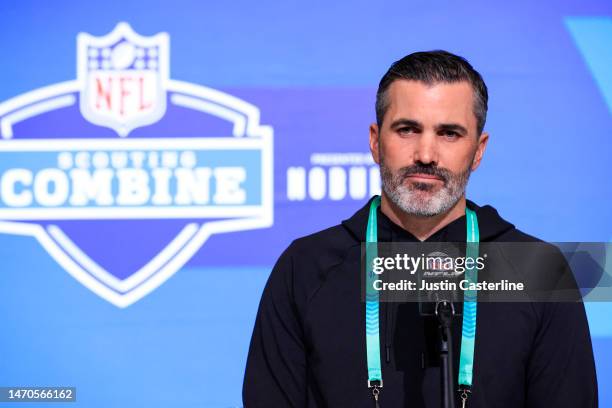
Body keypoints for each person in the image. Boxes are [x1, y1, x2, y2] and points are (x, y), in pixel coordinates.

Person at [242, 50, 597, 407]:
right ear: (375, 141)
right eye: (407, 129)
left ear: (479, 150)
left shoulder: (541, 272)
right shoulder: (304, 268)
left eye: (449, 133)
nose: (426, 154)